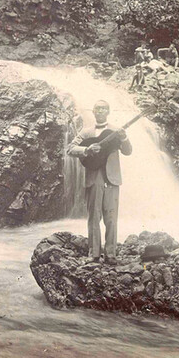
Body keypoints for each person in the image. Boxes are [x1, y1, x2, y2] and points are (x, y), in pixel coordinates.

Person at [66, 100, 133, 262]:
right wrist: (87, 149)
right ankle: (94, 253)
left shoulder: (116, 131)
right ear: (93, 111)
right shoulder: (86, 132)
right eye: (97, 108)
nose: (100, 111)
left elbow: (128, 151)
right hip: (93, 177)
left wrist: (124, 138)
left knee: (111, 218)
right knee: (94, 217)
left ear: (108, 111)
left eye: (104, 108)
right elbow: (70, 149)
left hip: (112, 178)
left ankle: (111, 254)